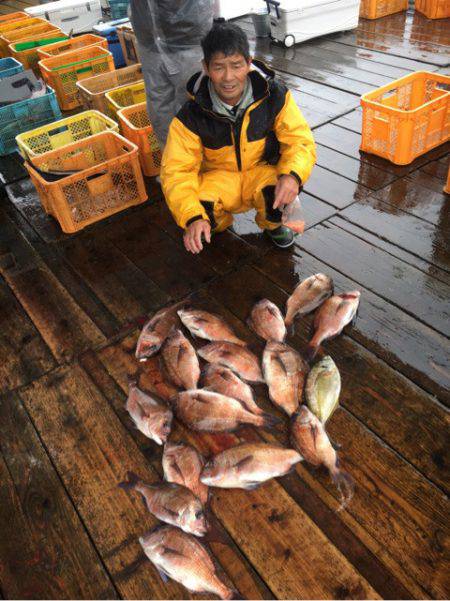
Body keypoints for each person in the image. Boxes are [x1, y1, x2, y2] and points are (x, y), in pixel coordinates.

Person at [160, 22, 316, 252]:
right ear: (206, 67)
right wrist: (192, 217)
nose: (228, 77)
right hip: (216, 179)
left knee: (282, 189)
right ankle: (214, 225)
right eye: (218, 67)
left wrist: (292, 176)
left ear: (249, 63)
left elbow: (299, 140)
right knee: (199, 209)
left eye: (236, 65)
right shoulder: (190, 116)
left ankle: (274, 224)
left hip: (260, 170)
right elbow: (176, 171)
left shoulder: (275, 96)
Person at [129, 0, 214, 148]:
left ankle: (206, 162)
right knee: (159, 106)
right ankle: (172, 163)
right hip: (148, 39)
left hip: (188, 37)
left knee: (197, 101)